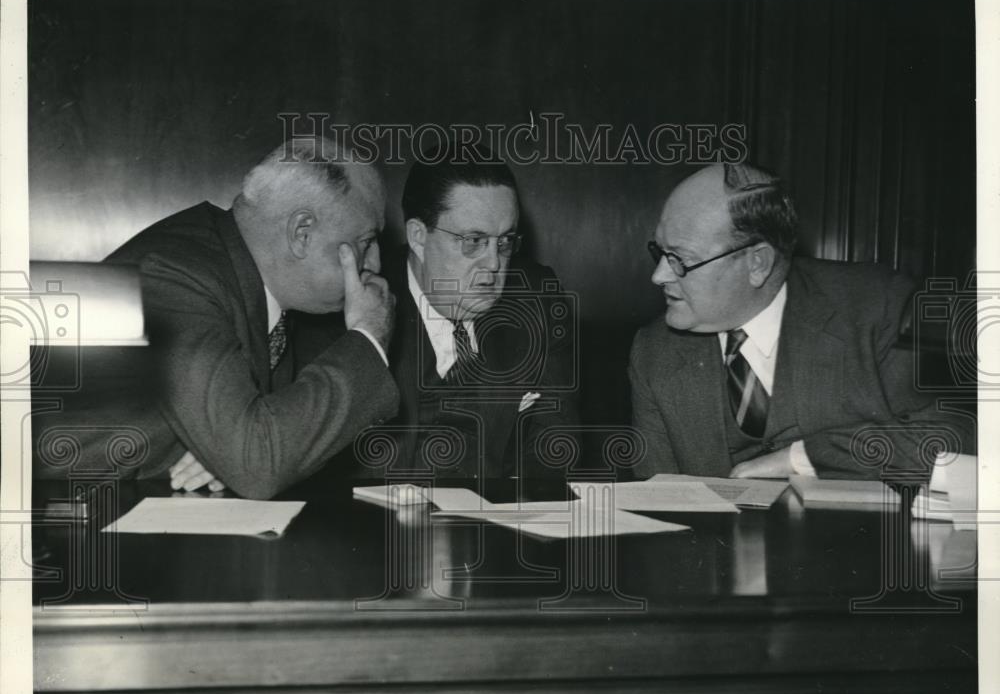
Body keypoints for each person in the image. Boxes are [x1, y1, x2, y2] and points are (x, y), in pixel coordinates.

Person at [629, 162, 972, 480]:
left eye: (680, 260)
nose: (658, 276)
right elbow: (658, 504)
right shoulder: (654, 351)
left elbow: (963, 439)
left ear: (757, 263)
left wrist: (804, 457)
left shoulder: (879, 308)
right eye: (659, 252)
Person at [102, 137, 399, 499]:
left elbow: (258, 447)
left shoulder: (247, 282)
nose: (375, 265)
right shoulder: (174, 276)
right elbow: (258, 463)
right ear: (301, 234)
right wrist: (369, 334)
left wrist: (228, 451)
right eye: (366, 242)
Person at [371, 145, 579, 479]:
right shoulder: (360, 302)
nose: (495, 263)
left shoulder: (537, 300)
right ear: (419, 237)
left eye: (505, 241)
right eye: (473, 241)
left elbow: (554, 447)